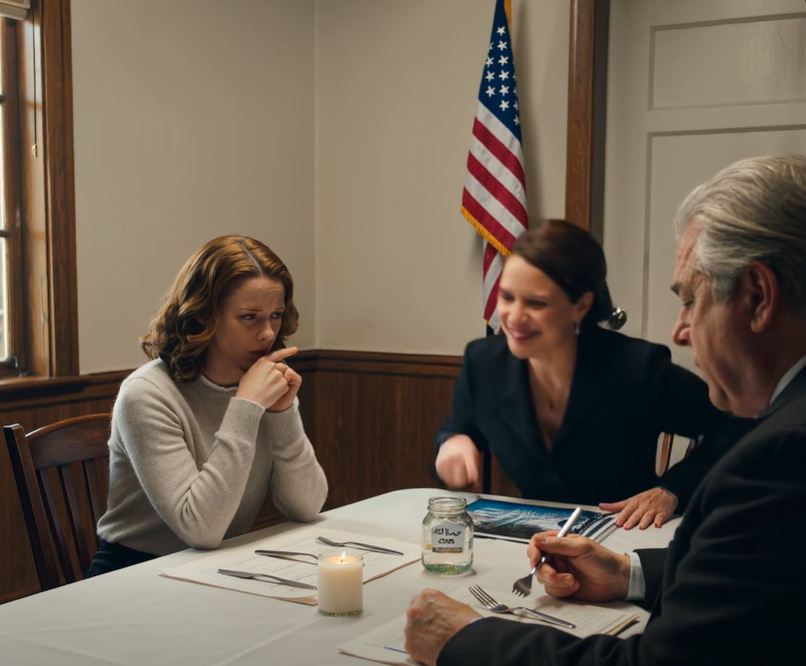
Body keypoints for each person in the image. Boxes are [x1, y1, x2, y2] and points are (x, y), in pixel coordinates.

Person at [405, 154, 806, 665]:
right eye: (506, 297)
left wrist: (466, 641)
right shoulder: (484, 360)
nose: (679, 331)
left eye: (690, 302)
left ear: (757, 296)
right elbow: (761, 577)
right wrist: (629, 573)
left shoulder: (776, 452)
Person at [435, 219, 742, 529]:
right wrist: (454, 442)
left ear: (581, 305)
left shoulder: (637, 368)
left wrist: (673, 489)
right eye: (507, 297)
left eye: (536, 303)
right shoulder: (482, 361)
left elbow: (736, 426)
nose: (514, 317)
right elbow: (461, 427)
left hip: (624, 537)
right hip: (526, 538)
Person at [86, 235, 328, 576]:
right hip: (136, 573)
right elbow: (200, 528)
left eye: (276, 315)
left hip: (219, 567)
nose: (268, 333)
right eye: (249, 317)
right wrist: (246, 407)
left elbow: (307, 505)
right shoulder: (145, 394)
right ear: (203, 317)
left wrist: (282, 413)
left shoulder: (264, 382)